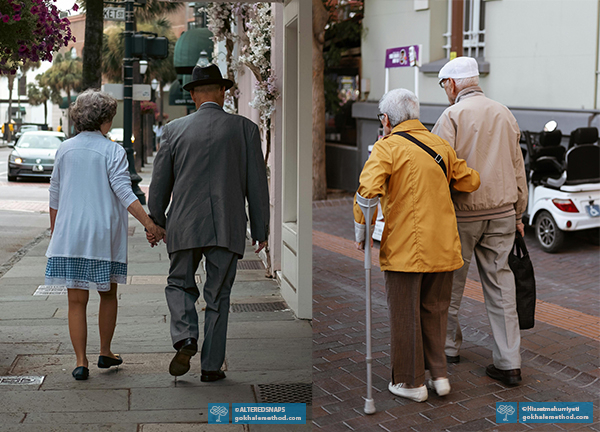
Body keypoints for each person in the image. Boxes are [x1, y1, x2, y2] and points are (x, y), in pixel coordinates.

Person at [353, 88, 480, 402]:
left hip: (405, 249)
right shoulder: (440, 145)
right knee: (435, 311)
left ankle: (410, 383)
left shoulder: (387, 148)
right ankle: (439, 376)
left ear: (386, 119)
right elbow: (469, 180)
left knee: (404, 314)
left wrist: (362, 231)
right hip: (445, 247)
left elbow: (367, 193)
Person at [147, 64, 270, 382]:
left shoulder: (173, 131)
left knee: (178, 284)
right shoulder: (245, 129)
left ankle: (187, 336)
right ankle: (212, 367)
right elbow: (257, 184)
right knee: (218, 296)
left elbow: (159, 185)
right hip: (226, 226)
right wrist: (261, 230)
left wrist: (156, 222)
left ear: (192, 95)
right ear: (222, 92)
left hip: (184, 224)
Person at [45, 89, 165, 381]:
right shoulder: (112, 151)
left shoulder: (65, 149)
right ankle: (106, 350)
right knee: (108, 293)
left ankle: (80, 361)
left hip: (70, 232)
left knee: (76, 300)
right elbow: (125, 191)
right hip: (102, 232)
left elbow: (55, 194)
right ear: (105, 120)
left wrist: (54, 232)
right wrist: (150, 224)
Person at [432, 56, 528, 386]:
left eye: (444, 84)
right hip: (502, 213)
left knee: (450, 285)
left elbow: (438, 170)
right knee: (502, 288)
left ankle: (447, 349)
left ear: (454, 83)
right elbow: (518, 169)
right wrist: (518, 214)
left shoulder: (451, 116)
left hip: (462, 215)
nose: (445, 90)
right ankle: (509, 362)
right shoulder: (504, 112)